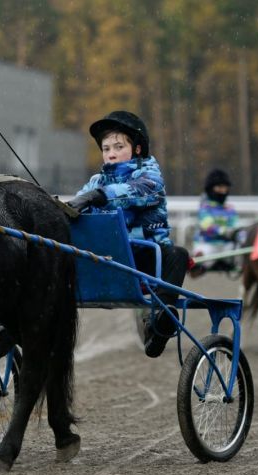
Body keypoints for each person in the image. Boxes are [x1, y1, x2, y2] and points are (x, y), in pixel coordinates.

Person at [66, 110, 189, 358]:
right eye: (106, 148)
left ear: (138, 149)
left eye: (118, 146)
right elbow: (79, 202)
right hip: (106, 257)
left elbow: (139, 192)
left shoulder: (150, 175)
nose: (110, 153)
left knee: (178, 254)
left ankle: (160, 319)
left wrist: (100, 197)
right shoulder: (95, 182)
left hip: (144, 260)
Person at [191, 169, 238, 273]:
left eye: (224, 187)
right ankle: (197, 264)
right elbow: (207, 227)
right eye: (219, 187)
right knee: (205, 255)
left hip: (225, 246)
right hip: (207, 243)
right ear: (211, 189)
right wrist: (225, 232)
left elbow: (234, 226)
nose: (223, 190)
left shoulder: (230, 209)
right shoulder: (204, 208)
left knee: (237, 249)